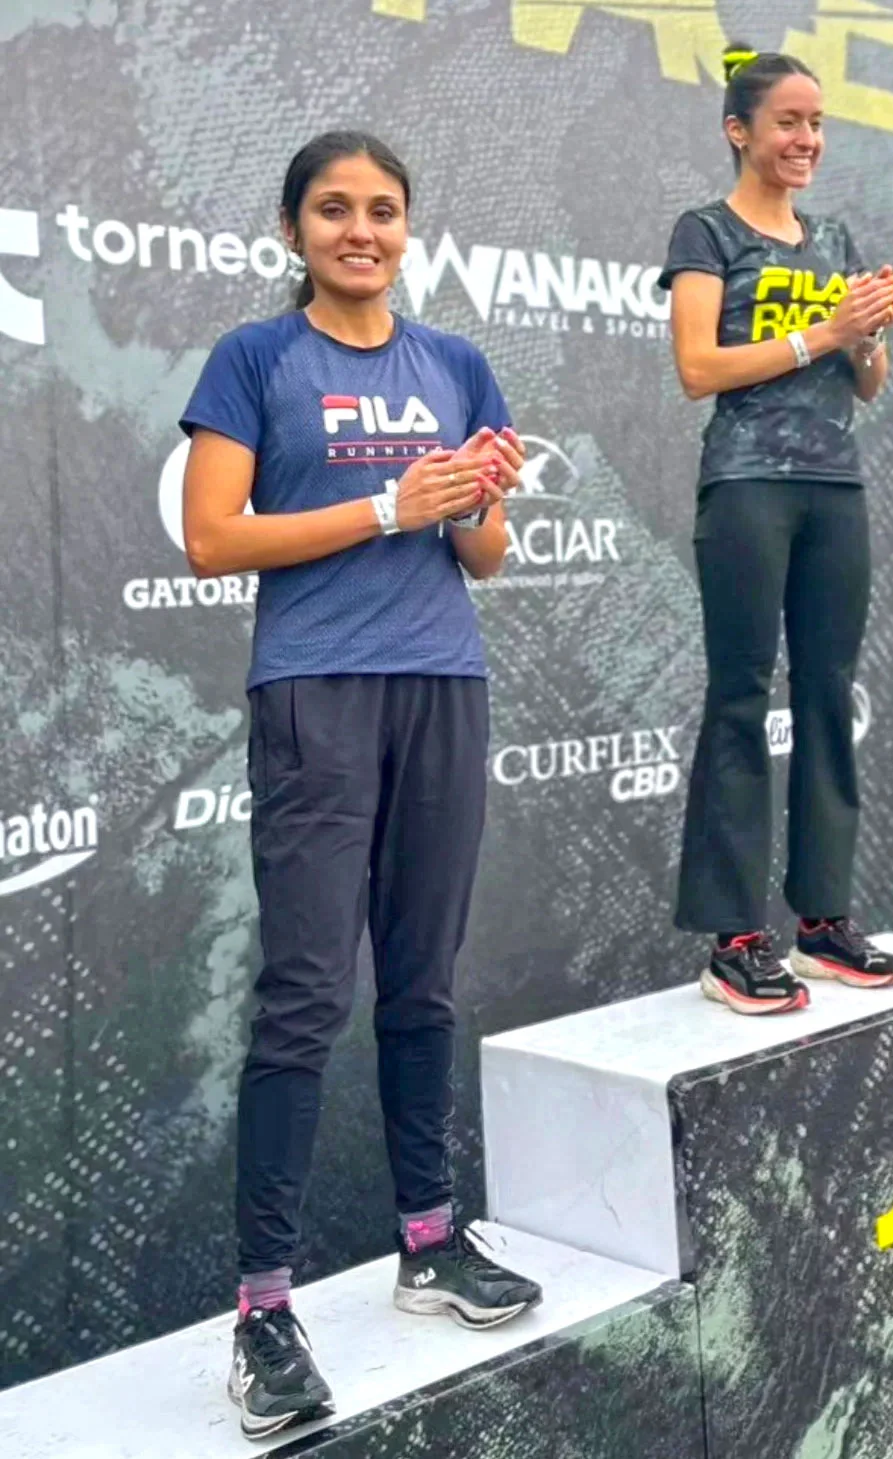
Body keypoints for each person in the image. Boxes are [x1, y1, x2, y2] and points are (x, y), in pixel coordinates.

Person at [180, 130, 542, 1440]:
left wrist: (471, 498)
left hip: (443, 682)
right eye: (334, 209)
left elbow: (488, 558)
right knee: (305, 993)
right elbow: (214, 535)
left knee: (425, 979)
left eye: (384, 209)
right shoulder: (255, 359)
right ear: (293, 232)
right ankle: (265, 1311)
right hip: (316, 692)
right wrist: (392, 504)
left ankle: (431, 1243)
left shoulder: (455, 363)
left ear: (409, 228)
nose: (361, 229)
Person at [657, 44, 893, 1015]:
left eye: (816, 124)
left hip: (833, 486)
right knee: (739, 696)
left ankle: (821, 919)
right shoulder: (706, 233)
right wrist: (820, 331)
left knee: (828, 693)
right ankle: (733, 937)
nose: (806, 139)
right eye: (788, 122)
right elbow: (697, 366)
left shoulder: (836, 235)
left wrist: (871, 328)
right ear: (741, 131)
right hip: (747, 485)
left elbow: (868, 382)